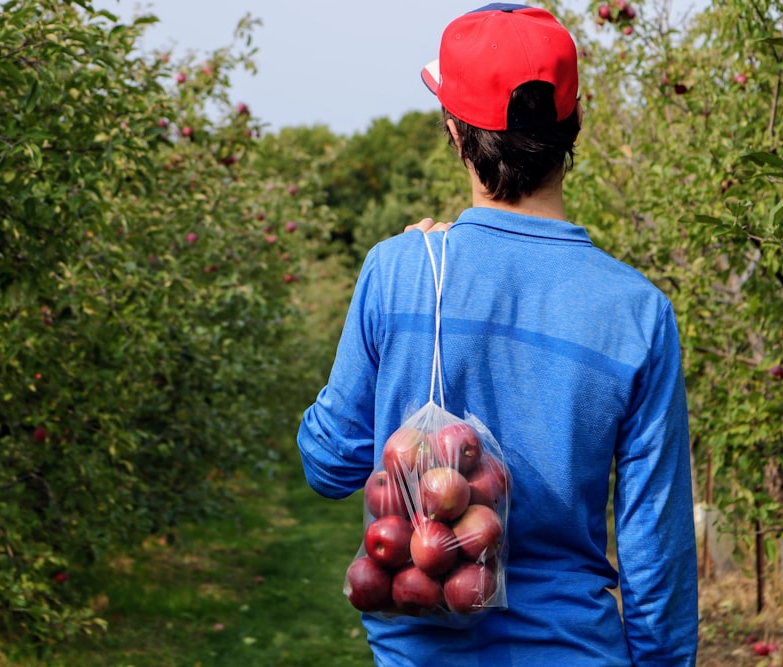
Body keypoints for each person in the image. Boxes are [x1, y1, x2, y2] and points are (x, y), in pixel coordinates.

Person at [296, 4, 699, 665]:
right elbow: (656, 551)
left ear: (455, 134)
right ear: (573, 126)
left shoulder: (398, 273)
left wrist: (396, 286)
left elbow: (329, 464)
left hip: (423, 642)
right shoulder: (638, 312)